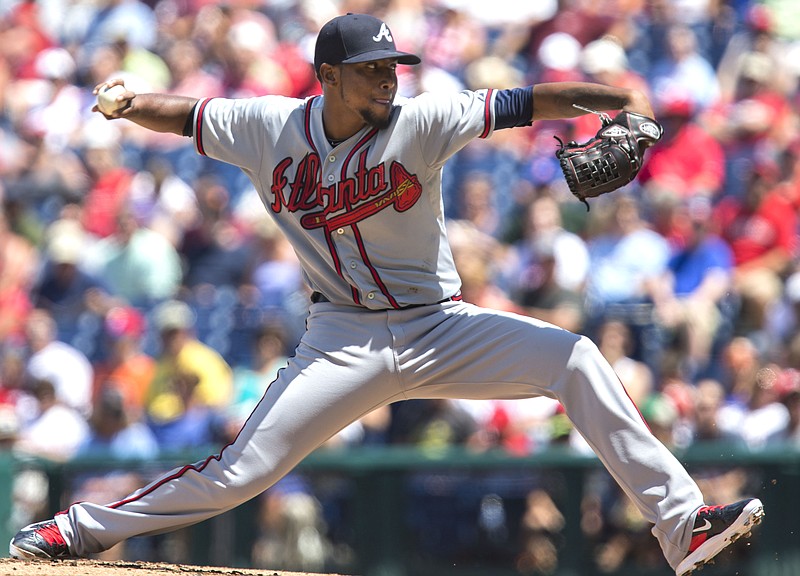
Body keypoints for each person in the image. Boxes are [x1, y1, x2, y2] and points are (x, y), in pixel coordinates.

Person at [9, 13, 763, 576]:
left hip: (443, 325)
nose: (386, 77)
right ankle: (80, 529)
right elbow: (190, 118)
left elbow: (531, 100)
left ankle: (681, 525)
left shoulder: (424, 119)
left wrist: (619, 101)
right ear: (327, 76)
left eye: (391, 65)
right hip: (342, 339)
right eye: (370, 68)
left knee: (578, 359)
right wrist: (131, 101)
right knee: (241, 471)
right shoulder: (269, 126)